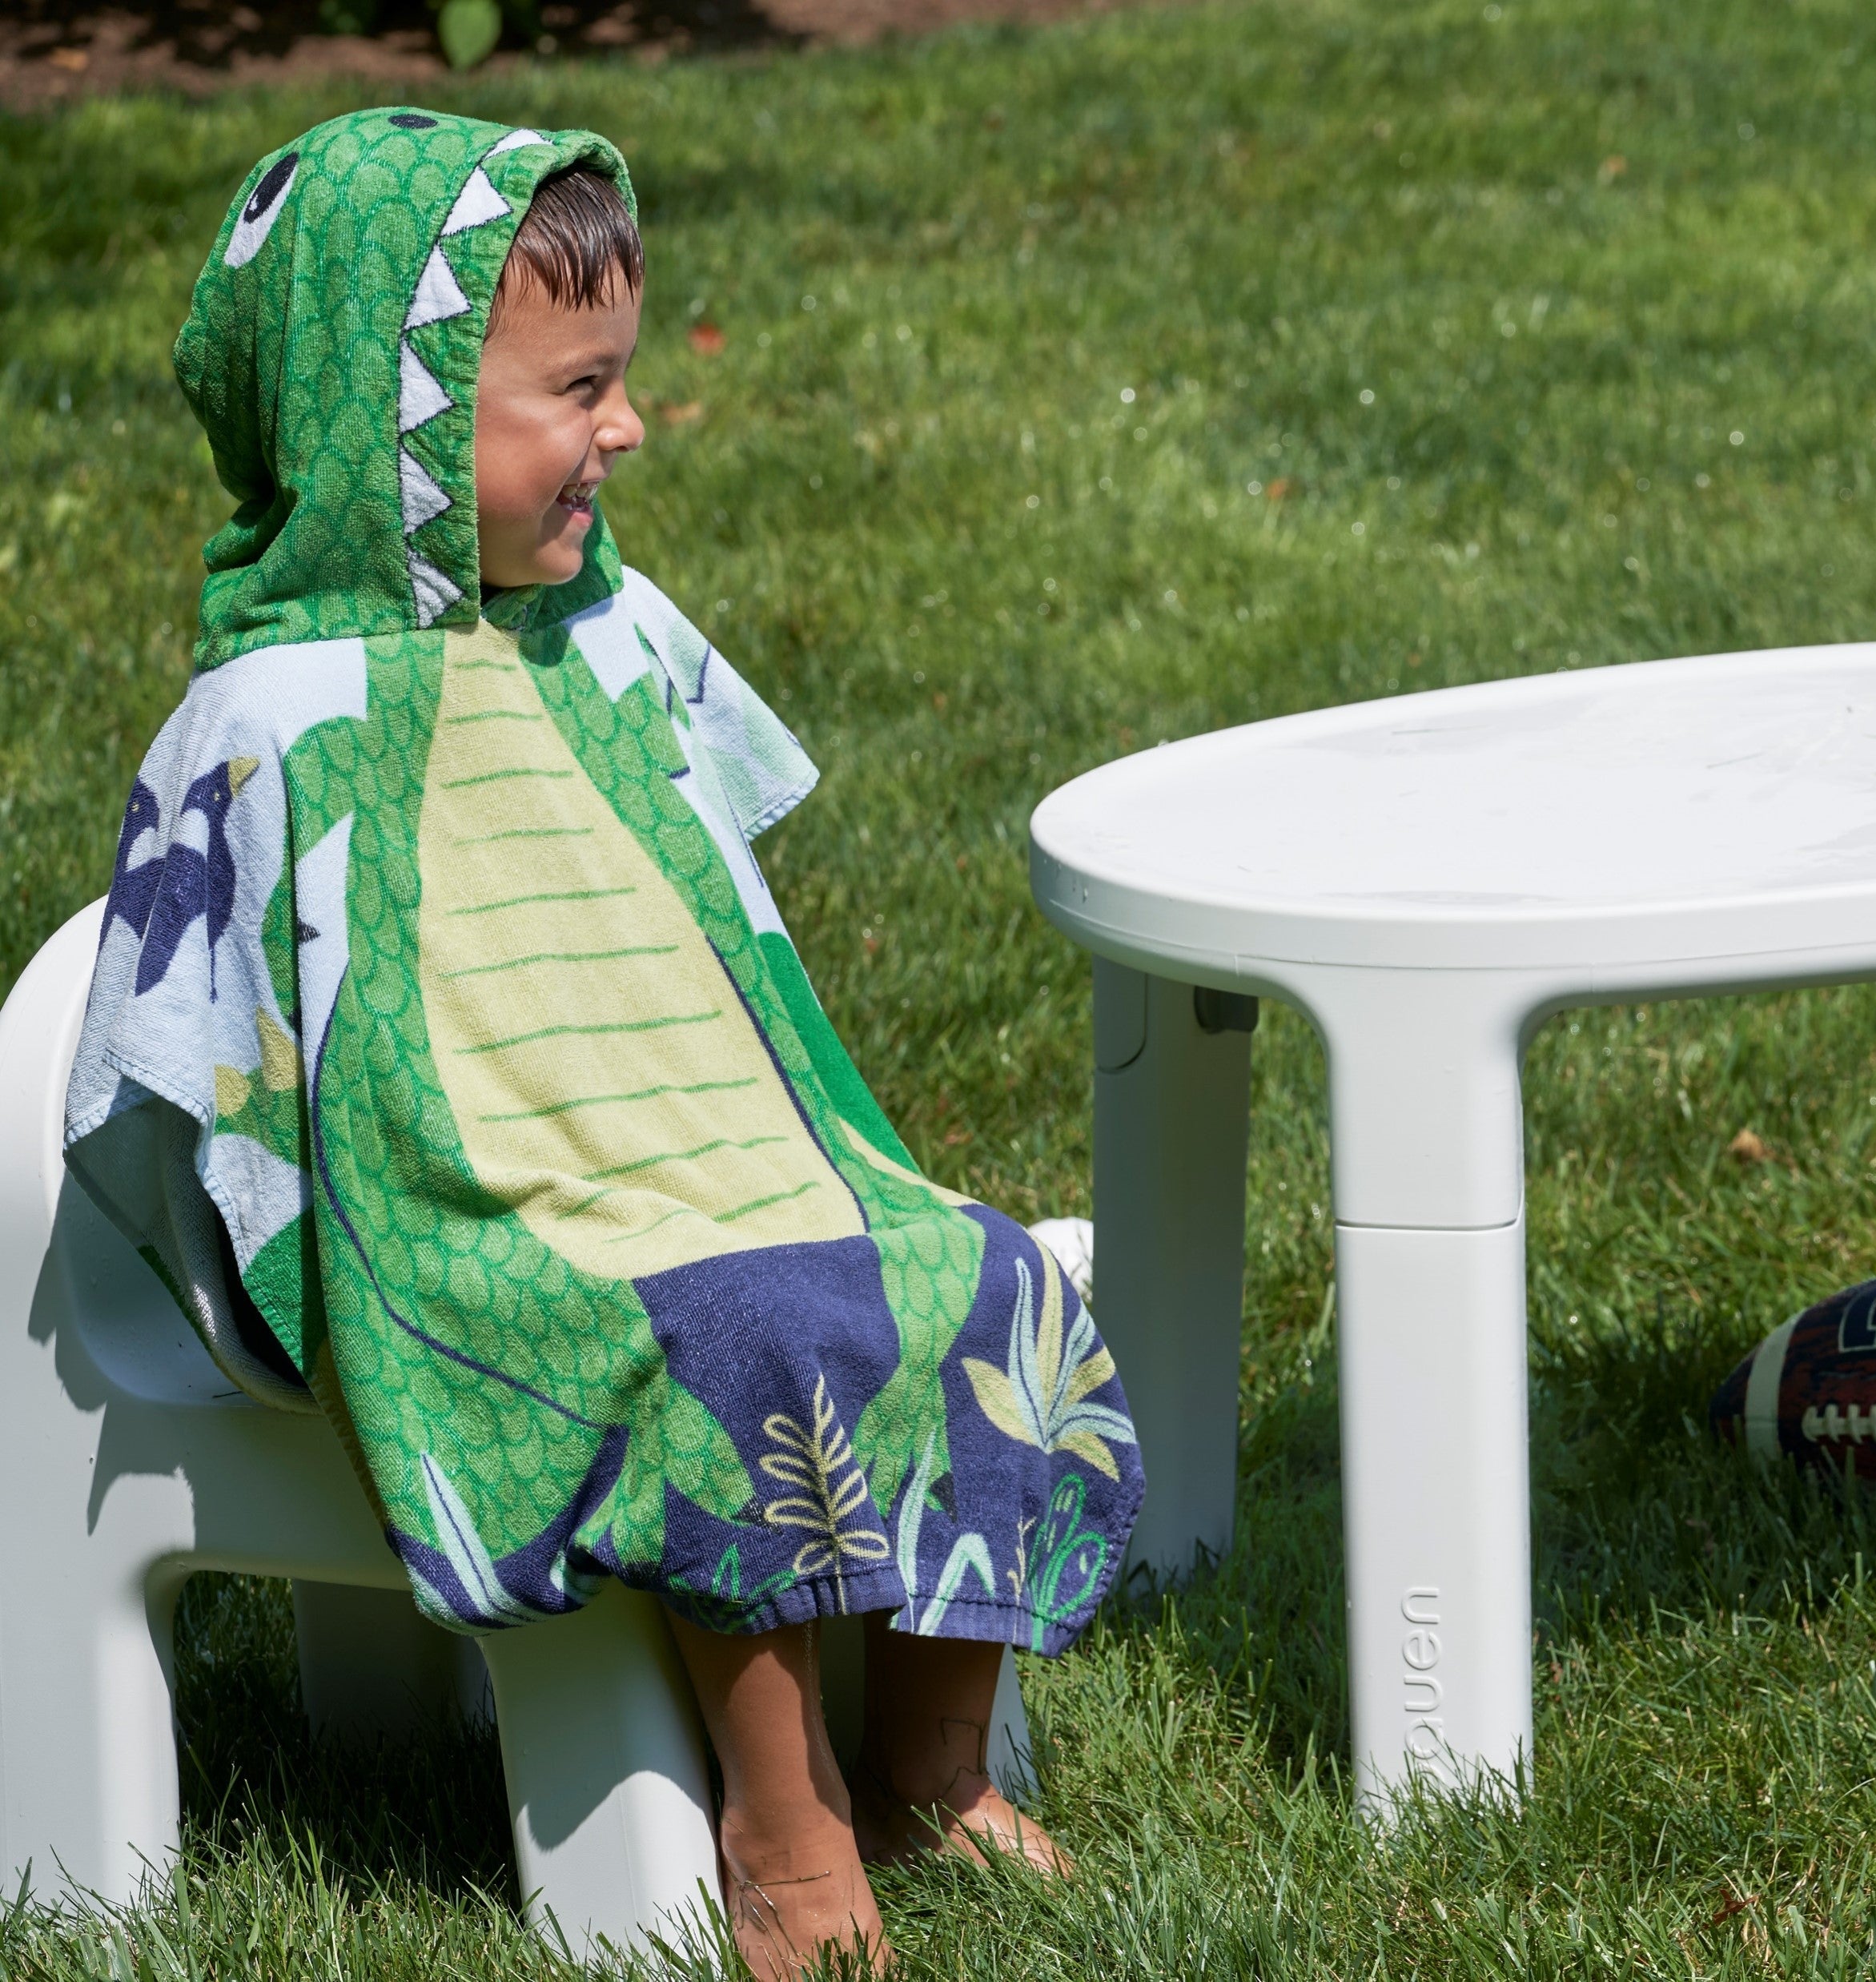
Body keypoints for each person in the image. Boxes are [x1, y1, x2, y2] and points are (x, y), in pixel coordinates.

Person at [62, 109, 1143, 1977]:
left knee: (976, 1272)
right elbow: (217, 1062)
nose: (625, 428)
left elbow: (720, 928)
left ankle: (926, 1764)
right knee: (725, 1329)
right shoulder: (274, 716)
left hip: (690, 1150)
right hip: (458, 1218)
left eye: (621, 381)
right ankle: (780, 1825)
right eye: (578, 389)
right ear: (388, 421)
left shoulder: (609, 639)